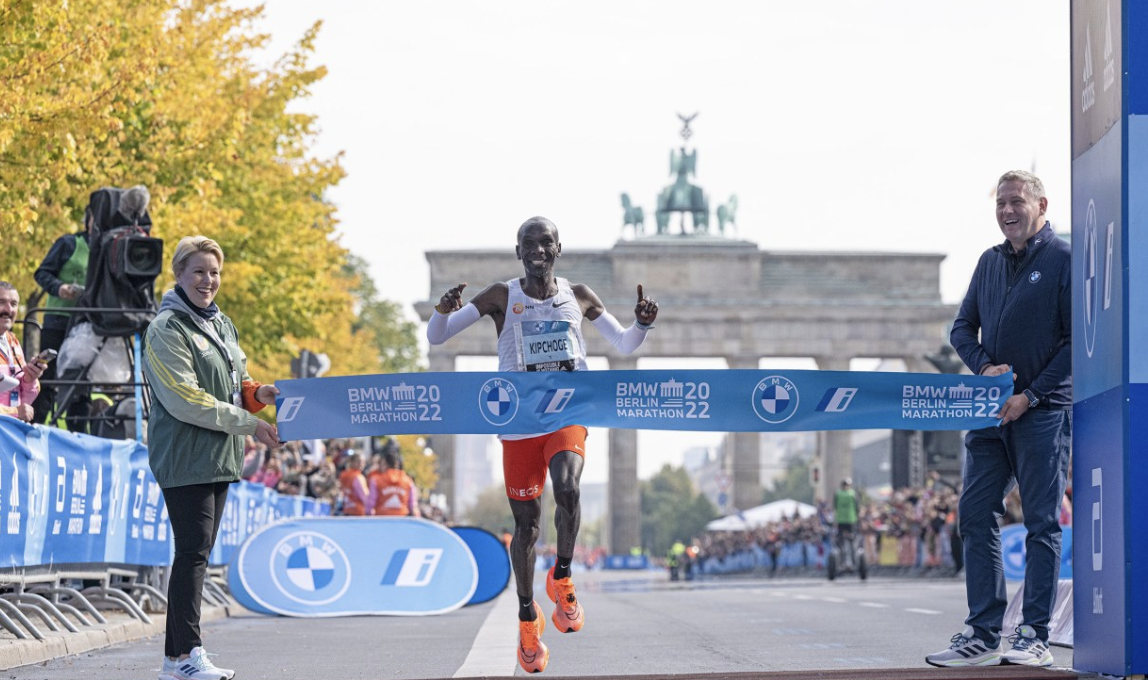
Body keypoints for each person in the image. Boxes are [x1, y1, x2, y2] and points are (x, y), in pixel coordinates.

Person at [427, 215, 658, 673]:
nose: (537, 249)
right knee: (527, 524)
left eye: (545, 242)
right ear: (518, 252)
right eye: (528, 243)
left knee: (569, 487)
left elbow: (624, 345)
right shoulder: (500, 295)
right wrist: (443, 310)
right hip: (519, 422)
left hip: (567, 413)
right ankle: (528, 616)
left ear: (557, 249)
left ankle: (564, 576)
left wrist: (642, 324)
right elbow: (438, 338)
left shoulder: (580, 295)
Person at [926, 170, 1070, 668]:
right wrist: (984, 367)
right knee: (974, 513)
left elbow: (1075, 343)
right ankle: (984, 633)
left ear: (1041, 204)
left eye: (1016, 202)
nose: (1007, 211)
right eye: (1000, 204)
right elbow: (962, 328)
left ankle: (1034, 635)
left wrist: (1029, 395)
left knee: (1041, 521)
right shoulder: (989, 261)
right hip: (989, 415)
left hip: (1043, 412)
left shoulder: (1064, 259)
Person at [142, 236, 280, 680]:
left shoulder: (222, 325)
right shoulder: (167, 329)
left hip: (218, 456)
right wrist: (249, 422)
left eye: (214, 272)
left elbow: (236, 381)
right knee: (193, 554)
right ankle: (185, 657)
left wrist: (258, 394)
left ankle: (175, 659)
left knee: (196, 553)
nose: (208, 280)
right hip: (184, 456)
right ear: (179, 275)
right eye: (199, 271)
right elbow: (186, 399)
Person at [31, 208, 91, 424]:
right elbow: (41, 273)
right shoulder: (68, 243)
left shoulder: (108, 250)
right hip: (58, 319)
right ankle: (34, 427)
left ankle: (79, 432)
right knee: (47, 376)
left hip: (87, 325)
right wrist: (59, 287)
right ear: (89, 219)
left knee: (81, 382)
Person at [0, 282, 46, 422]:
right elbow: (18, 410)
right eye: (1, 302)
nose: (8, 310)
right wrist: (14, 412)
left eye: (14, 304)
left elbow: (24, 398)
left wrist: (29, 379)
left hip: (10, 431)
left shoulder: (12, 341)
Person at [368, 450, 421, 517]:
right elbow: (413, 506)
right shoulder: (408, 481)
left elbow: (370, 504)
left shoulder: (376, 480)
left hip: (381, 520)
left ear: (385, 463)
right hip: (402, 519)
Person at [833, 477, 859, 566]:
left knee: (841, 542)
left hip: (841, 521)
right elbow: (857, 507)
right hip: (851, 520)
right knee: (852, 541)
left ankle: (842, 562)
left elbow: (835, 506)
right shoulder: (853, 494)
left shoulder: (837, 494)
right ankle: (854, 562)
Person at [337, 452, 370, 516]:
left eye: (363, 462)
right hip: (358, 511)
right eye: (359, 461)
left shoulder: (343, 475)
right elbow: (364, 496)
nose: (362, 464)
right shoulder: (358, 477)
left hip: (347, 509)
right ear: (352, 462)